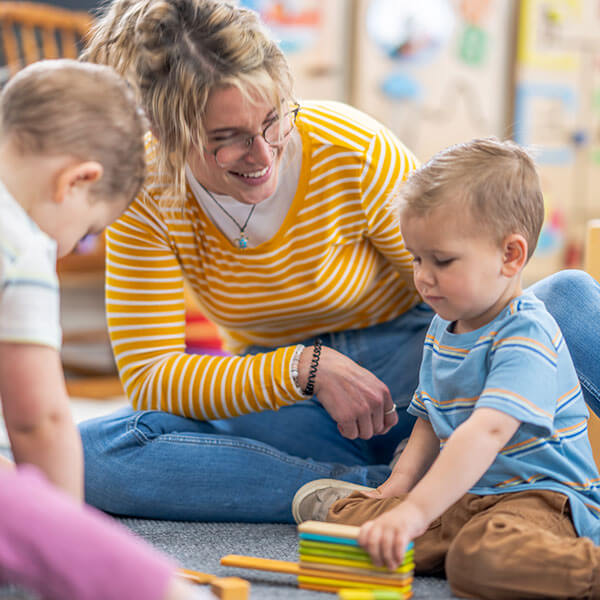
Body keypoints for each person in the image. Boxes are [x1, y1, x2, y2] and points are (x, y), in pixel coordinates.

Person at [79, 0, 600, 524]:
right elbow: (151, 377)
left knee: (567, 300)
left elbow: (467, 294)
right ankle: (376, 494)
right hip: (294, 403)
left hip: (426, 368)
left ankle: (430, 482)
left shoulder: (351, 149)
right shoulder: (146, 191)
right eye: (226, 140)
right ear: (168, 135)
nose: (263, 155)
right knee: (91, 455)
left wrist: (452, 391)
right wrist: (304, 368)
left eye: (272, 120)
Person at [292, 138, 600, 600]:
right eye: (417, 258)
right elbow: (428, 419)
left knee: (483, 561)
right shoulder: (443, 324)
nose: (423, 276)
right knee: (347, 521)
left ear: (510, 255)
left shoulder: (526, 335)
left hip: (542, 500)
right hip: (473, 497)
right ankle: (450, 539)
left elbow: (486, 433)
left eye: (442, 261)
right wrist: (397, 489)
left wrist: (414, 512)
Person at [0, 59, 206, 600]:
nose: (76, 248)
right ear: (77, 181)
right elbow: (38, 421)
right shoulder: (20, 247)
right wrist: (62, 533)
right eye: (89, 233)